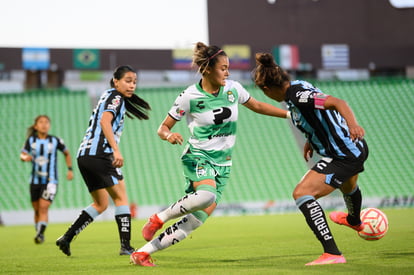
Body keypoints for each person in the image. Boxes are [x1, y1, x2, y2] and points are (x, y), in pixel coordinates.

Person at [130, 42, 290, 267]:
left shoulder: (233, 89)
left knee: (195, 222)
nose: (228, 72)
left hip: (223, 165)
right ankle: (158, 217)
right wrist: (169, 136)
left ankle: (142, 253)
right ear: (207, 69)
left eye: (228, 67)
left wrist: (289, 115)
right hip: (198, 156)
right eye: (223, 67)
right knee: (207, 196)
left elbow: (258, 106)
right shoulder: (189, 96)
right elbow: (162, 128)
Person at [253, 52, 369, 265]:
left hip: (343, 154)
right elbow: (316, 117)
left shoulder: (297, 96)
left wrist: (353, 124)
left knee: (302, 194)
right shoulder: (298, 86)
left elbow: (336, 102)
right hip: (352, 149)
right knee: (348, 186)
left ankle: (333, 253)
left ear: (267, 90)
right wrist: (312, 139)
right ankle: (354, 220)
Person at [56, 65, 151, 256]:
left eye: (134, 82)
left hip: (84, 156)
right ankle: (125, 246)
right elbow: (104, 122)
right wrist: (116, 150)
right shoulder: (115, 97)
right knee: (121, 197)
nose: (132, 85)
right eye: (128, 81)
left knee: (101, 204)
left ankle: (66, 237)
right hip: (100, 154)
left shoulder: (109, 96)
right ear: (116, 81)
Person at [20, 115, 74, 244]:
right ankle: (39, 230)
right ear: (36, 126)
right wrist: (24, 157)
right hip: (34, 181)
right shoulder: (31, 140)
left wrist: (70, 169)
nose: (44, 124)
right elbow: (23, 153)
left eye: (46, 122)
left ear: (49, 125)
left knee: (44, 207)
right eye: (41, 122)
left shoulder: (55, 140)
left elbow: (66, 153)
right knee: (37, 209)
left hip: (51, 180)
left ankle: (40, 234)